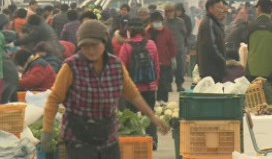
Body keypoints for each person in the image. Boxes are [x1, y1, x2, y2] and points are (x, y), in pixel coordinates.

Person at [40, 20, 168, 159]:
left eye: (94, 45)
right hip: (78, 138)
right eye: (85, 46)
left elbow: (133, 95)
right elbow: (54, 99)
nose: (91, 50)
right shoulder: (71, 67)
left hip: (108, 137)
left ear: (104, 42)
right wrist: (47, 131)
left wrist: (152, 117)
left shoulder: (116, 65)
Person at [119, 18, 160, 150]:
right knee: (149, 114)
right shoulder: (152, 44)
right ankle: (152, 141)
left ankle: (132, 142)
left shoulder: (126, 47)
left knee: (129, 116)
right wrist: (155, 83)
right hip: (149, 87)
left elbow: (122, 70)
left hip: (132, 90)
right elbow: (156, 66)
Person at [246, 0, 272, 101]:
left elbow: (249, 46)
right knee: (269, 100)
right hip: (270, 71)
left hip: (252, 71)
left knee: (253, 101)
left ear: (259, 9)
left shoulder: (251, 26)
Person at [146, 11, 177, 103]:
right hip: (150, 63)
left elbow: (172, 46)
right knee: (150, 85)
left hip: (164, 62)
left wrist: (173, 58)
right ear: (151, 22)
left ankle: (163, 101)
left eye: (159, 21)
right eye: (155, 21)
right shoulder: (147, 32)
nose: (158, 23)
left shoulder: (167, 32)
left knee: (164, 84)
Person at [196, 0, 226, 82]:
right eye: (219, 7)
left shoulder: (214, 22)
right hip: (211, 70)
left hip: (213, 69)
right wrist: (223, 61)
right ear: (210, 8)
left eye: (222, 8)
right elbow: (211, 46)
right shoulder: (208, 23)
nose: (221, 10)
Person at [164, 4, 186, 91]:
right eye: (168, 12)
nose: (170, 14)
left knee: (180, 68)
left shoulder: (180, 21)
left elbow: (184, 33)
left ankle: (179, 84)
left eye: (171, 11)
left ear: (174, 12)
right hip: (168, 50)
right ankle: (168, 85)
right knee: (168, 68)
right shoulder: (164, 23)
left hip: (179, 48)